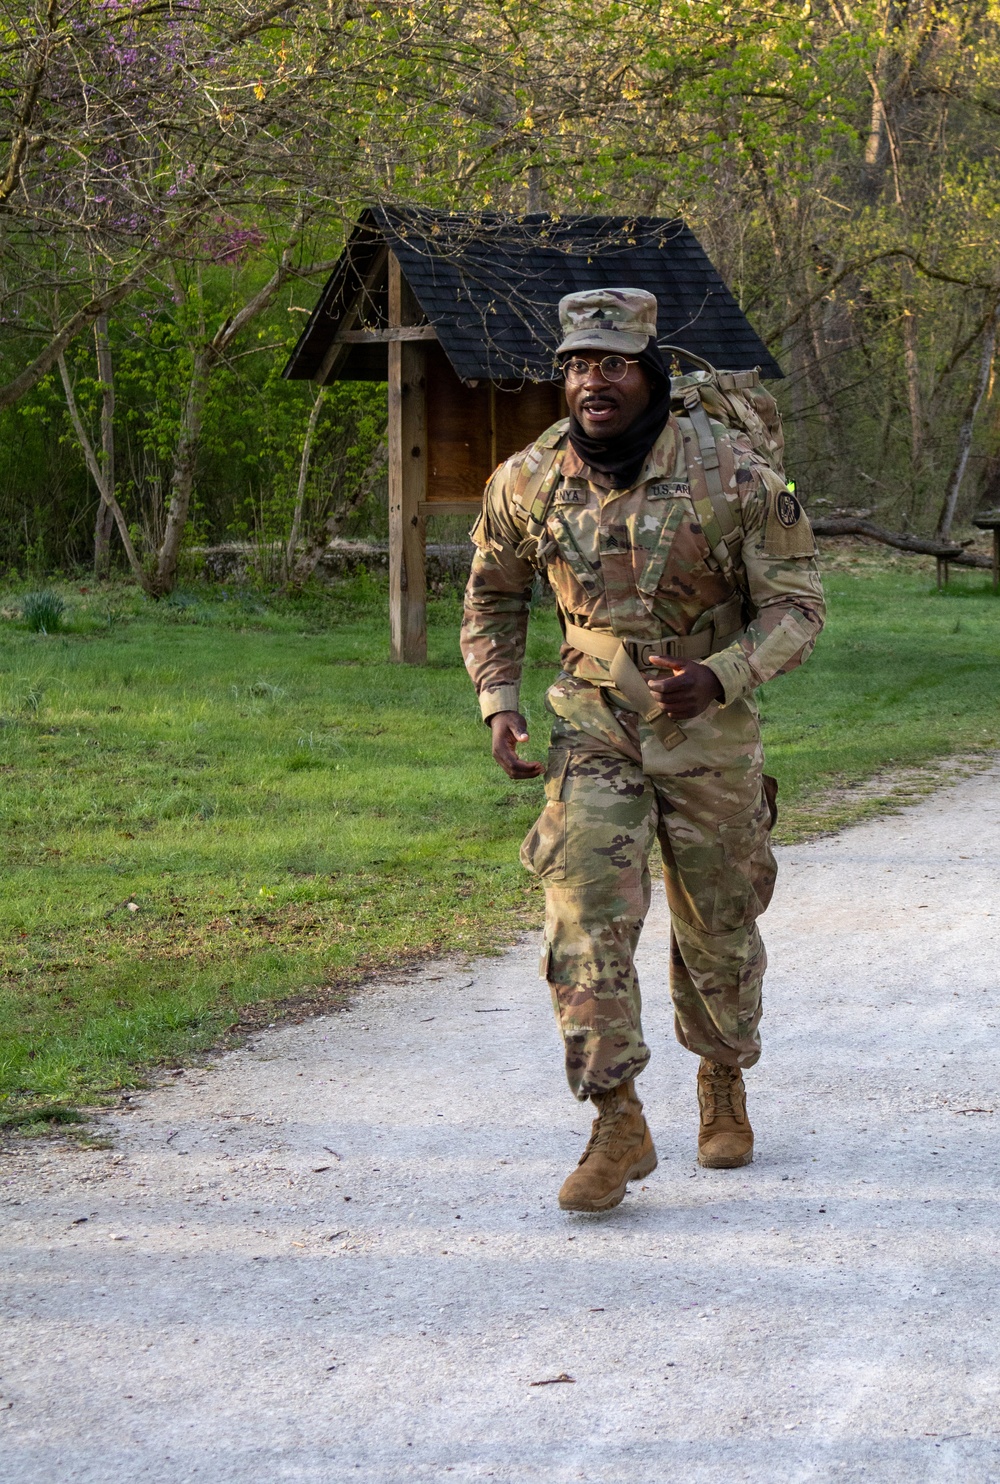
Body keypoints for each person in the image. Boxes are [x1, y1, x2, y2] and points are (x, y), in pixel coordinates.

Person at [461, 288, 825, 1212]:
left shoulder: (734, 475)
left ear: (649, 375)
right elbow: (493, 596)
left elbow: (798, 608)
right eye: (579, 365)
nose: (593, 381)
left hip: (708, 726)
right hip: (593, 723)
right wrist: (497, 698)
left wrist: (724, 676)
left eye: (613, 364)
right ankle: (616, 1119)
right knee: (582, 911)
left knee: (720, 922)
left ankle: (721, 1077)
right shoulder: (527, 480)